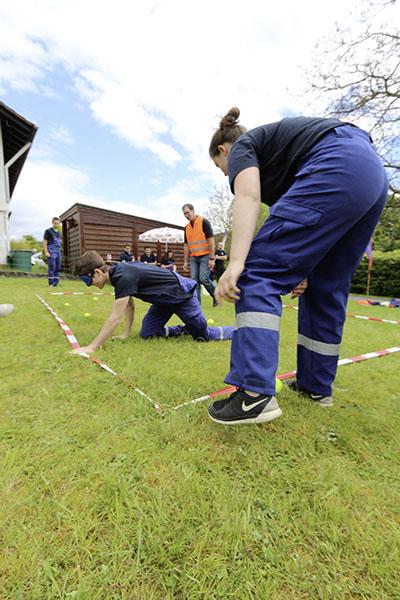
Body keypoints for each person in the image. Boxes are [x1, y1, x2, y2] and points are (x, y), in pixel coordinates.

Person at [207, 107, 388, 426]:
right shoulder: (281, 160)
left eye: (220, 167)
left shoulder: (244, 145)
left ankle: (254, 394)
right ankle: (315, 387)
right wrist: (302, 269)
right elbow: (306, 230)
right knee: (325, 286)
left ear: (223, 150)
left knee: (256, 271)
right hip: (372, 174)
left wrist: (236, 263)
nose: (226, 175)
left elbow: (247, 197)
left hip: (336, 161)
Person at [72, 251, 234, 355]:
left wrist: (92, 347)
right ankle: (185, 329)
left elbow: (115, 317)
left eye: (87, 280)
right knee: (147, 333)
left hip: (182, 295)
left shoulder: (122, 276)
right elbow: (129, 305)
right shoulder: (116, 273)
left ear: (97, 272)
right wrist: (126, 333)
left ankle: (238, 330)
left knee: (203, 336)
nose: (88, 285)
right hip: (163, 301)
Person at [182, 204, 217, 306]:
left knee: (203, 279)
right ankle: (197, 304)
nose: (186, 215)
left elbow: (211, 241)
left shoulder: (204, 222)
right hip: (194, 257)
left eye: (188, 212)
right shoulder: (186, 228)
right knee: (194, 281)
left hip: (205, 256)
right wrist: (185, 262)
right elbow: (186, 245)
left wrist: (212, 258)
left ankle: (216, 295)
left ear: (193, 210)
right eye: (184, 214)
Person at [43, 217, 62, 287]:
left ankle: (56, 283)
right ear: (52, 223)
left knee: (58, 267)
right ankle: (51, 283)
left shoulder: (59, 233)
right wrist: (46, 252)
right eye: (55, 223)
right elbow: (45, 242)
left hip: (58, 251)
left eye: (58, 223)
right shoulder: (48, 231)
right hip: (51, 250)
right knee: (52, 267)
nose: (56, 225)